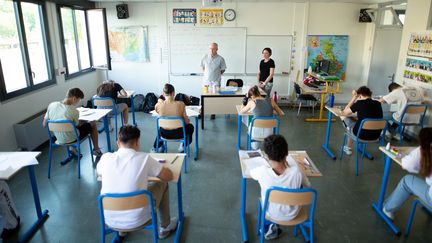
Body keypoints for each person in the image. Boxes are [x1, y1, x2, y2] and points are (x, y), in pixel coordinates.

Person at [97, 125, 177, 239]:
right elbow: (168, 176)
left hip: (110, 219)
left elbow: (99, 173)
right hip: (139, 219)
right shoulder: (144, 158)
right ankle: (165, 226)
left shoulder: (106, 158)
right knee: (162, 183)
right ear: (137, 143)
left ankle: (122, 231)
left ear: (118, 142)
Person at [250, 135, 310, 240]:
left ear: (267, 156)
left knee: (265, 195)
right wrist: (291, 167)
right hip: (293, 213)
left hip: (271, 213)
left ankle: (268, 227)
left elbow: (251, 173)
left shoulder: (262, 171)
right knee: (298, 187)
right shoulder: (296, 172)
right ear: (286, 153)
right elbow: (308, 185)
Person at [383, 127, 432, 219]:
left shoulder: (421, 152)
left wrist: (402, 155)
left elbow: (406, 165)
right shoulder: (421, 151)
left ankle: (388, 209)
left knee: (406, 181)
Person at [43, 88, 102, 158]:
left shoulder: (51, 105)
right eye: (78, 100)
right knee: (92, 123)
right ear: (74, 99)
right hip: (73, 138)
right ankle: (96, 149)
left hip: (58, 138)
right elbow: (77, 126)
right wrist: (83, 121)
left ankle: (73, 149)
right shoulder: (73, 111)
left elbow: (44, 124)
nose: (78, 103)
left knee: (69, 128)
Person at [340, 86, 383, 155]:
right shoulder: (378, 103)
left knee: (342, 116)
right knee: (357, 121)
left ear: (359, 95)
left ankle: (347, 147)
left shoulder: (359, 103)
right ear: (370, 94)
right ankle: (352, 146)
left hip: (360, 135)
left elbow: (344, 112)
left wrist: (354, 97)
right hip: (376, 136)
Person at [153, 84, 194, 153]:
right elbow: (186, 122)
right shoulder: (181, 104)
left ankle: (157, 146)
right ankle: (183, 146)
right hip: (179, 133)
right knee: (190, 127)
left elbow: (157, 109)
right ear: (173, 93)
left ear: (163, 94)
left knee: (160, 129)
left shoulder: (159, 105)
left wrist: (160, 101)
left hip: (164, 134)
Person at [240, 85, 284, 150]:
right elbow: (281, 114)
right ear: (259, 93)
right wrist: (272, 111)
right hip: (269, 134)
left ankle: (255, 148)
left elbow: (241, 111)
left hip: (255, 133)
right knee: (260, 123)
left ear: (252, 96)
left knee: (249, 122)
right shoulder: (271, 101)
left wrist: (244, 100)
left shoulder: (252, 102)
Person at [201, 42, 226, 119]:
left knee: (214, 97)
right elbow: (203, 67)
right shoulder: (205, 57)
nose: (212, 50)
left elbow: (223, 69)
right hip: (206, 81)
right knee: (204, 97)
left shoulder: (221, 59)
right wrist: (208, 74)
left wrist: (215, 74)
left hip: (216, 81)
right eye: (211, 48)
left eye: (214, 49)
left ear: (217, 49)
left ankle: (213, 112)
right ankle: (202, 111)